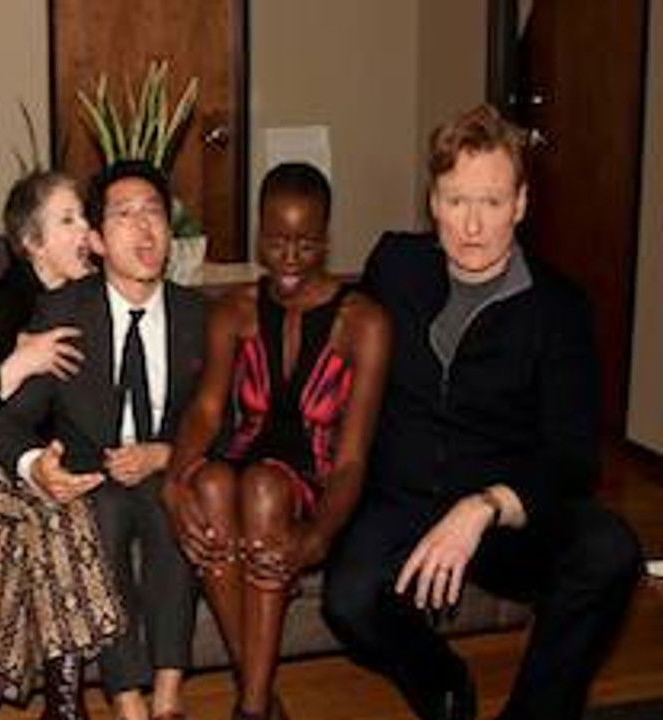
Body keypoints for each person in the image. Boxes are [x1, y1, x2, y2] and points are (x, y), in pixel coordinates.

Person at [322, 104, 643, 720]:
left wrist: (485, 506)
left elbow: (573, 459)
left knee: (609, 551)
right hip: (400, 497)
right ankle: (446, 689)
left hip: (498, 513)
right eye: (456, 200)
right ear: (433, 203)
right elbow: (326, 342)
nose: (472, 225)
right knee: (350, 599)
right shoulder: (395, 266)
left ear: (520, 204)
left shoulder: (559, 309)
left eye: (492, 203)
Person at [160, 163, 390, 720]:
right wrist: (173, 483)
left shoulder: (365, 322)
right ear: (258, 232)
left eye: (305, 244)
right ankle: (258, 701)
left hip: (312, 477)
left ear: (326, 237)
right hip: (246, 461)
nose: (288, 258)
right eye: (275, 241)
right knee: (211, 482)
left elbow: (352, 459)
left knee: (263, 486)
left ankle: (252, 706)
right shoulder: (234, 309)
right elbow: (207, 410)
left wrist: (320, 535)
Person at [0, 160, 205, 720]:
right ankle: (128, 702)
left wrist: (165, 454)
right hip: (91, 480)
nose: (144, 228)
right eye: (124, 215)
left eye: (154, 213)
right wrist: (36, 466)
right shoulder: (67, 312)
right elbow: (6, 422)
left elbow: (229, 419)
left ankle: (169, 697)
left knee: (173, 503)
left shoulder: (198, 316)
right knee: (100, 515)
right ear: (98, 241)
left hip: (167, 469)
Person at [0, 170, 126, 720]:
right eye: (68, 220)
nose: (84, 230)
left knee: (21, 530)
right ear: (33, 242)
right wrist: (17, 366)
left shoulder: (91, 304)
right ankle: (66, 705)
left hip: (19, 483)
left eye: (84, 217)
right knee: (53, 503)